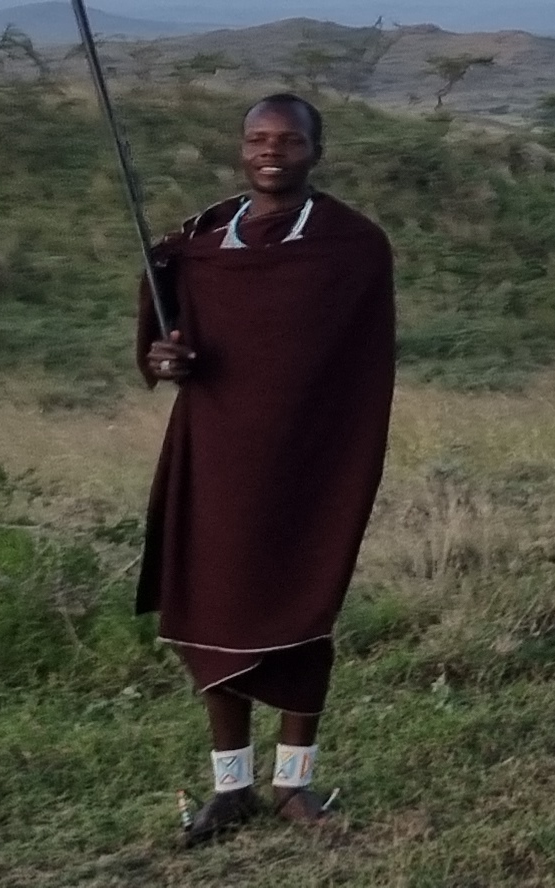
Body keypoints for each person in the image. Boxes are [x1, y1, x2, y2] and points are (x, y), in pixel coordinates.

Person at [138, 94, 397, 846]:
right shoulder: (201, 240)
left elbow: (362, 360)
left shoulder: (351, 245)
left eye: (289, 140)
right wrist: (166, 357)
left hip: (314, 455)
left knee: (302, 605)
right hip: (217, 452)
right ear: (241, 147)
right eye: (258, 138)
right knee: (214, 609)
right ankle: (230, 789)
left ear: (317, 149)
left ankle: (294, 784)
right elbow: (167, 339)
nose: (271, 151)